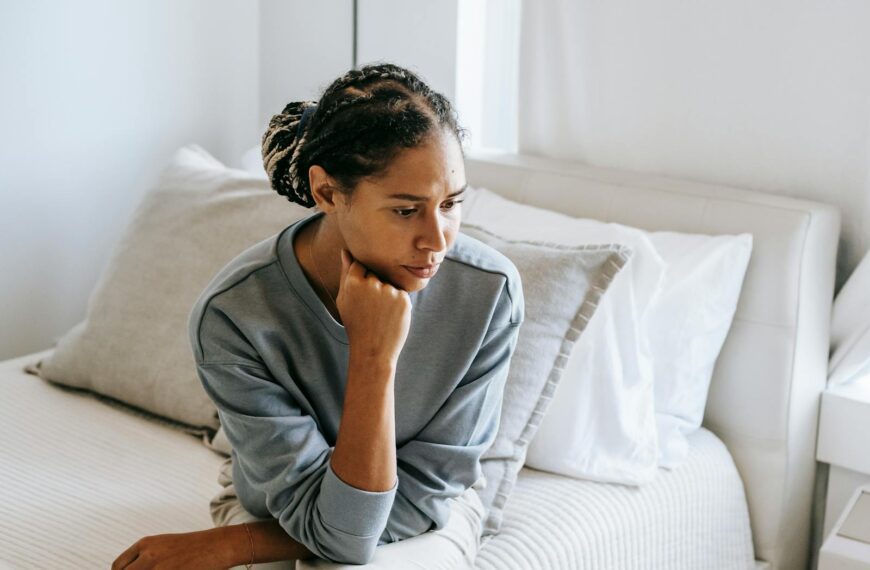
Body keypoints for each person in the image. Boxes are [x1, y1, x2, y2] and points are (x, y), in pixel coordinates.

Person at [111, 62, 524, 570]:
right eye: (404, 209)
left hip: (425, 516)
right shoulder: (234, 316)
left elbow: (398, 511)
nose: (437, 240)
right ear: (327, 192)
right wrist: (370, 353)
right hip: (280, 509)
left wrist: (235, 544)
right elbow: (332, 527)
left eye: (451, 203)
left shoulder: (488, 294)